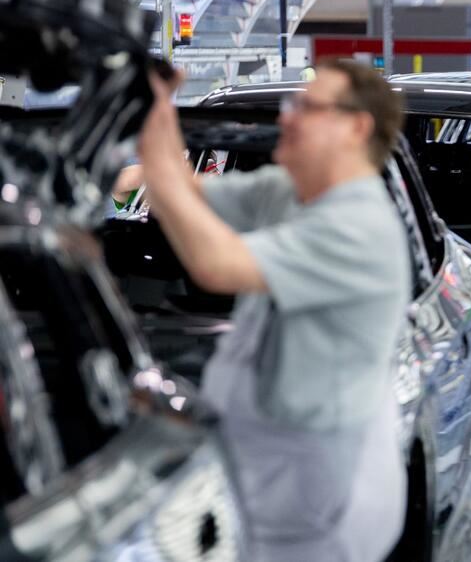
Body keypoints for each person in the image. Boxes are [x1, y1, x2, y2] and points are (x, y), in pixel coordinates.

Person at [137, 59, 411, 562]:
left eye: (306, 107)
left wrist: (154, 132)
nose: (287, 117)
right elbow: (183, 190)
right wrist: (155, 115)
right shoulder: (290, 195)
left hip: (318, 488)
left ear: (356, 127)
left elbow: (215, 265)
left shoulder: (360, 227)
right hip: (267, 466)